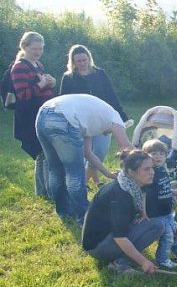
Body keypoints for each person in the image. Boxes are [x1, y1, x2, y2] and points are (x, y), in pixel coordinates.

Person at [35, 93, 134, 222]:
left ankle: (64, 211)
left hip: (43, 114)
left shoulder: (90, 120)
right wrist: (148, 159)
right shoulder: (116, 119)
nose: (106, 135)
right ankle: (84, 216)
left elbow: (88, 153)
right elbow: (126, 147)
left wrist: (108, 174)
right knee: (75, 171)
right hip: (63, 117)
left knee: (55, 169)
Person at [81, 149, 164, 274]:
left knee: (156, 223)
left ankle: (121, 258)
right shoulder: (121, 195)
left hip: (108, 235)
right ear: (131, 172)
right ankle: (119, 263)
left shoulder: (130, 183)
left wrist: (143, 212)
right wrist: (143, 262)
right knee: (156, 226)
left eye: (152, 167)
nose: (152, 172)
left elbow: (146, 196)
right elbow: (120, 237)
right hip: (97, 246)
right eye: (146, 169)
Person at [59, 44, 130, 188]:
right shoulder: (68, 77)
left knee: (100, 151)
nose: (82, 63)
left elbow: (111, 95)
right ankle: (83, 184)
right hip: (80, 121)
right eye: (78, 61)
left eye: (84, 60)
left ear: (89, 58)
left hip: (102, 118)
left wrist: (121, 115)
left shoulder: (100, 74)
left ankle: (85, 180)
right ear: (73, 62)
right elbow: (63, 99)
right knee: (84, 152)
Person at [10, 31, 56, 197]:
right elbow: (24, 95)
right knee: (43, 152)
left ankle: (43, 192)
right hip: (29, 117)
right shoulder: (19, 67)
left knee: (44, 153)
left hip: (42, 113)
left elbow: (44, 89)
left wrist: (51, 83)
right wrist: (42, 84)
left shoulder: (38, 65)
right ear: (24, 47)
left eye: (40, 49)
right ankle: (48, 192)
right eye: (34, 49)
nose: (38, 52)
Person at [141, 139, 177, 268]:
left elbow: (163, 187)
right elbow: (143, 194)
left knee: (175, 232)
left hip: (167, 210)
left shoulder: (162, 170)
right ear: (146, 156)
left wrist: (175, 192)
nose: (158, 156)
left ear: (166, 155)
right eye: (153, 153)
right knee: (167, 236)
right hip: (156, 213)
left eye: (161, 154)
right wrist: (143, 212)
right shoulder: (149, 173)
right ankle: (162, 259)